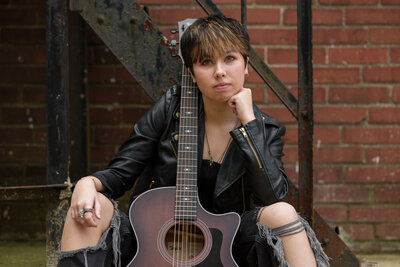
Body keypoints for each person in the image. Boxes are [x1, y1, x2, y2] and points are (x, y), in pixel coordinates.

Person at [58, 15, 329, 267]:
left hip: (229, 246)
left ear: (246, 65)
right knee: (90, 208)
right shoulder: (170, 109)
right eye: (206, 62)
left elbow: (272, 195)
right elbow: (121, 172)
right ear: (191, 71)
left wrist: (249, 125)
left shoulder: (265, 129)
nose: (220, 72)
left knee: (283, 212)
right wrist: (86, 184)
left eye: (230, 59)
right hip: (153, 239)